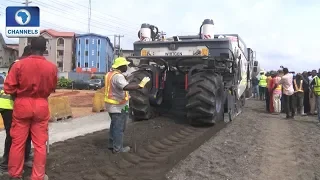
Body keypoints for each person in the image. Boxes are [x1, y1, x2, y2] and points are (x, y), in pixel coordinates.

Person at [4, 36, 57, 180]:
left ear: (30, 48)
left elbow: (8, 87)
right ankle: (38, 176)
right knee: (40, 144)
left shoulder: (19, 65)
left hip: (22, 104)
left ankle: (15, 174)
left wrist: (19, 96)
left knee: (17, 143)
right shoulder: (52, 67)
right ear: (45, 50)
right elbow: (52, 87)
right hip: (41, 105)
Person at [0, 45, 33, 176]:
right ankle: (4, 165)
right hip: (8, 104)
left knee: (25, 133)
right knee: (13, 135)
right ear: (30, 54)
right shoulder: (18, 64)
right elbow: (14, 88)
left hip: (13, 104)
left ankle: (24, 159)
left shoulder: (21, 64)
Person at [105, 57, 150, 153]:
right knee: (119, 128)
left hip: (111, 106)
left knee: (114, 126)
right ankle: (118, 149)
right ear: (121, 66)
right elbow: (126, 87)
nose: (127, 66)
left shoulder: (109, 74)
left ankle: (111, 144)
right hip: (118, 107)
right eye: (125, 65)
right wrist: (140, 85)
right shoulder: (118, 77)